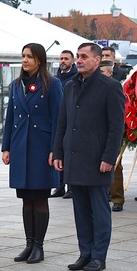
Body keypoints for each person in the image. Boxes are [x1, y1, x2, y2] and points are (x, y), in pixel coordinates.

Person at [53, 42, 125, 271]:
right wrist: (58, 152)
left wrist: (109, 157)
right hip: (74, 158)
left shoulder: (110, 86)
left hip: (97, 161)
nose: (80, 60)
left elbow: (116, 128)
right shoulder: (72, 86)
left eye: (84, 56)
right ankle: (85, 253)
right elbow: (62, 122)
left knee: (99, 210)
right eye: (78, 56)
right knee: (81, 210)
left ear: (96, 60)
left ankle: (98, 256)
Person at [2, 43, 62, 264]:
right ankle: (28, 244)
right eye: (23, 56)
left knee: (40, 199)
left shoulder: (52, 84)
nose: (25, 60)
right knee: (26, 199)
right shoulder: (16, 85)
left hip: (40, 148)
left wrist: (55, 150)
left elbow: (58, 119)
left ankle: (39, 246)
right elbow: (10, 118)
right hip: (20, 148)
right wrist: (6, 147)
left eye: (29, 56)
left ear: (39, 60)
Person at [50, 49, 78, 198]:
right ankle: (59, 185)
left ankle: (72, 186)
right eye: (61, 58)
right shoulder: (56, 79)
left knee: (70, 153)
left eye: (66, 59)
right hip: (59, 119)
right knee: (59, 151)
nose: (63, 61)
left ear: (72, 61)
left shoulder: (75, 79)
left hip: (71, 119)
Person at [99, 60, 125, 212]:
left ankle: (117, 198)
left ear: (109, 73)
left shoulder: (114, 87)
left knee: (116, 166)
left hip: (112, 135)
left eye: (102, 72)